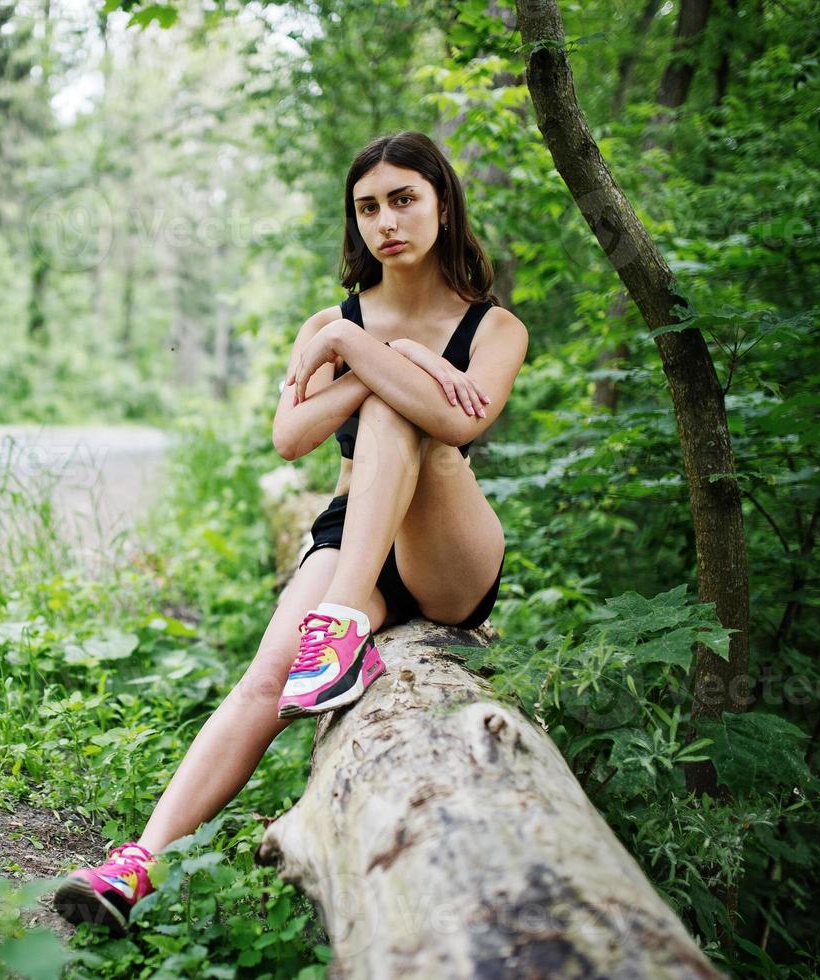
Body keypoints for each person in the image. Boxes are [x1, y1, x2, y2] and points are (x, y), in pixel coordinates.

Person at [53, 131, 529, 933]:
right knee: (266, 678)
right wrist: (362, 343)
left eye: (404, 199)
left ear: (442, 205)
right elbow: (289, 436)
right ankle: (137, 864)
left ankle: (337, 630)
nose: (386, 220)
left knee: (397, 405)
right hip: (353, 538)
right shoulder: (329, 319)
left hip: (448, 546)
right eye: (367, 206)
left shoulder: (492, 329)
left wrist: (372, 356)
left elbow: (454, 417)